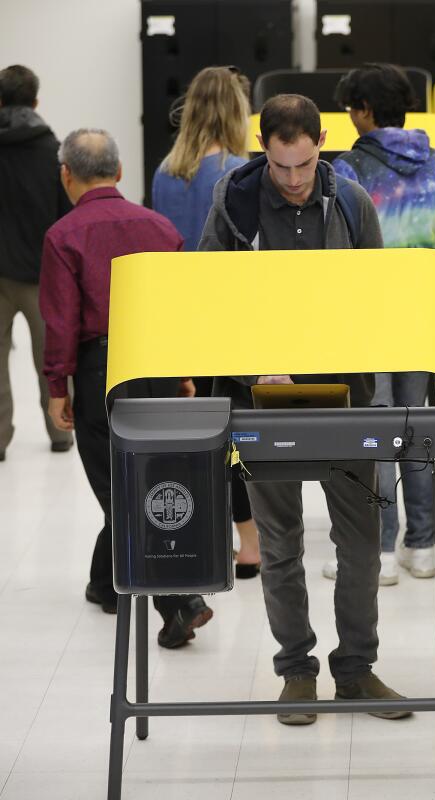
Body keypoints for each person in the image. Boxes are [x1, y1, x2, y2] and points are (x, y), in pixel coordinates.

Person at [198, 94, 407, 726]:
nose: (293, 180)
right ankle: (296, 671)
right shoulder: (232, 206)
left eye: (305, 164)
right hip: (264, 398)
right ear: (264, 146)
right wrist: (251, 369)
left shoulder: (352, 202)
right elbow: (208, 304)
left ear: (322, 143)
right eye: (282, 166)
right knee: (280, 544)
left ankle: (357, 669)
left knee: (361, 544)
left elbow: (379, 300)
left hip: (344, 399)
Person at [40, 128, 213, 648]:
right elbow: (177, 306)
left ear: (66, 175)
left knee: (123, 487)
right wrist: (183, 368)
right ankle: (107, 584)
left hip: (102, 366)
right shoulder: (160, 228)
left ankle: (180, 601)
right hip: (156, 361)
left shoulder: (63, 236)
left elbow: (63, 321)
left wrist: (56, 385)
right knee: (150, 473)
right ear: (119, 173)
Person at [323, 62, 435, 582]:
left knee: (374, 429)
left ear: (364, 112)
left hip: (369, 314)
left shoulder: (347, 168)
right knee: (415, 426)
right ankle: (421, 546)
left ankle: (375, 551)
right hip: (423, 312)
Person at [151, 65, 263, 580]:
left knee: (193, 430)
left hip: (179, 316)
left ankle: (201, 535)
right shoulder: (242, 172)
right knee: (235, 427)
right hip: (232, 316)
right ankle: (249, 542)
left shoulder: (164, 173)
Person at [0, 64, 74, 461]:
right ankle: (60, 433)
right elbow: (65, 218)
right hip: (40, 276)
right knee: (52, 359)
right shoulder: (52, 151)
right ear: (36, 101)